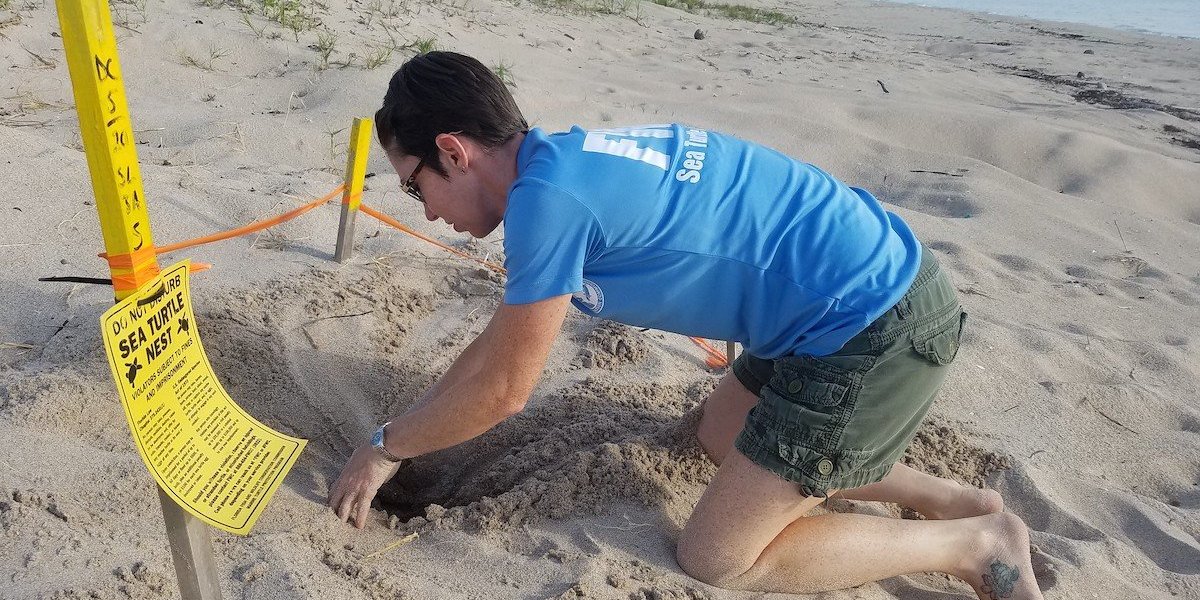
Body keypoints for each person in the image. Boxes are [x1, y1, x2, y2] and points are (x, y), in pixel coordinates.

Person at [328, 51, 1043, 600]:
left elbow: (505, 391)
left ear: (453, 150)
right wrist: (402, 430)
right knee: (720, 433)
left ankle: (976, 545)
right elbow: (497, 348)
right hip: (835, 300)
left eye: (415, 184)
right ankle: (953, 500)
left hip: (869, 325)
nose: (424, 209)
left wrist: (388, 447)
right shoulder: (563, 162)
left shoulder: (548, 205)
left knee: (719, 557)